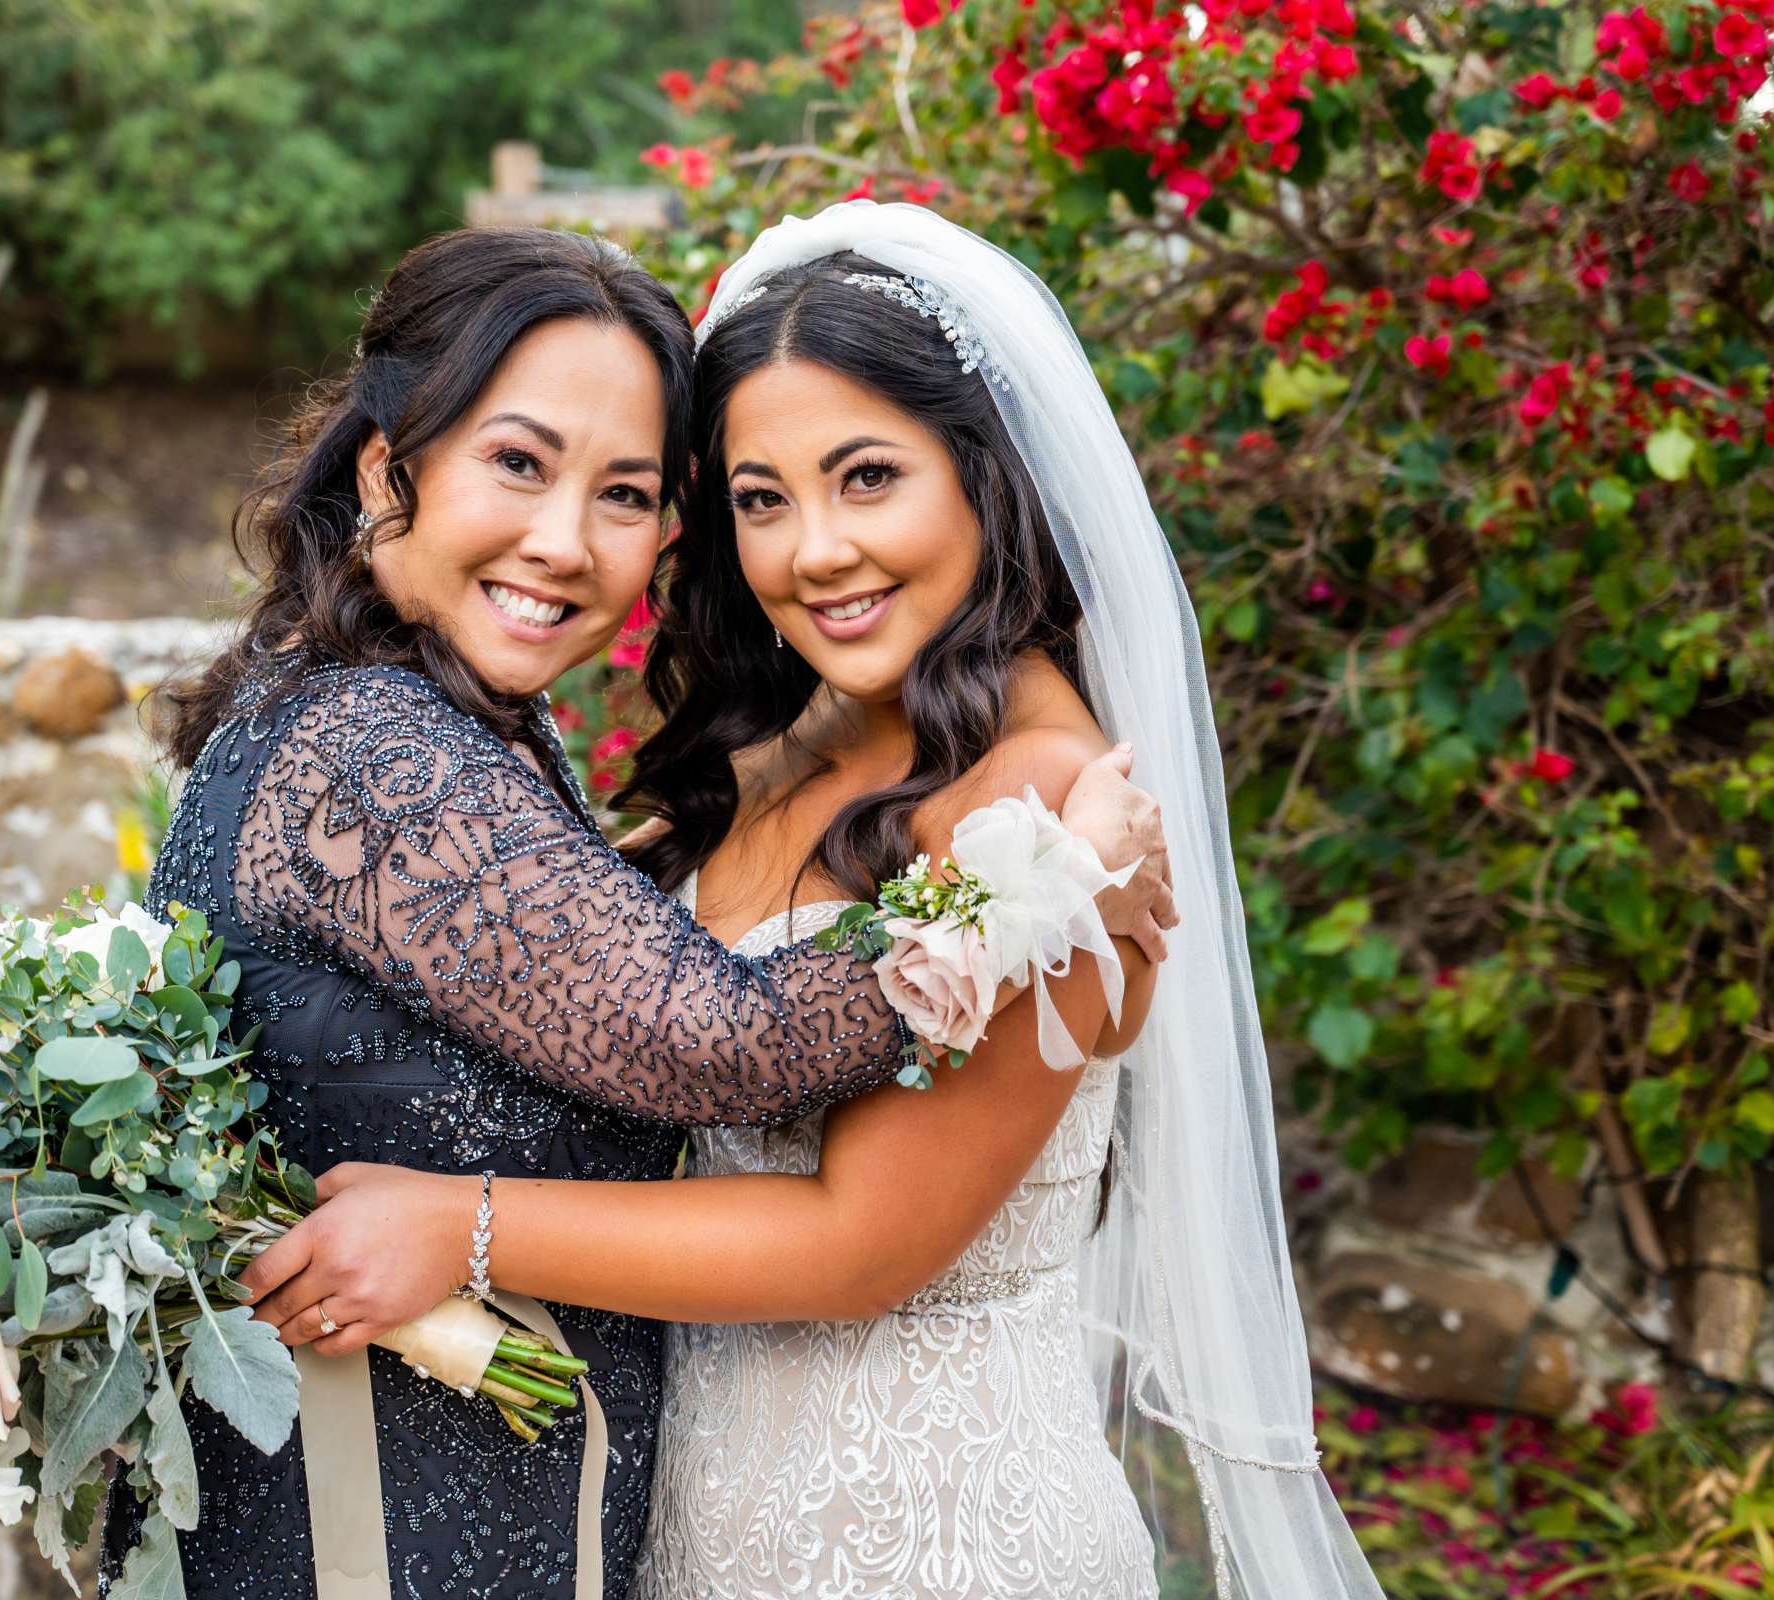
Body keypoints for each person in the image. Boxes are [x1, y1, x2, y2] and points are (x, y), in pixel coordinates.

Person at [255, 203, 1390, 1600]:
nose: (815, 552)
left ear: (986, 476)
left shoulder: (1048, 812)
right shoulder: (793, 751)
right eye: (760, 498)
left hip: (931, 1535)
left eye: (867, 478)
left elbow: (864, 1243)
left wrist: (459, 1222)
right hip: (714, 1519)